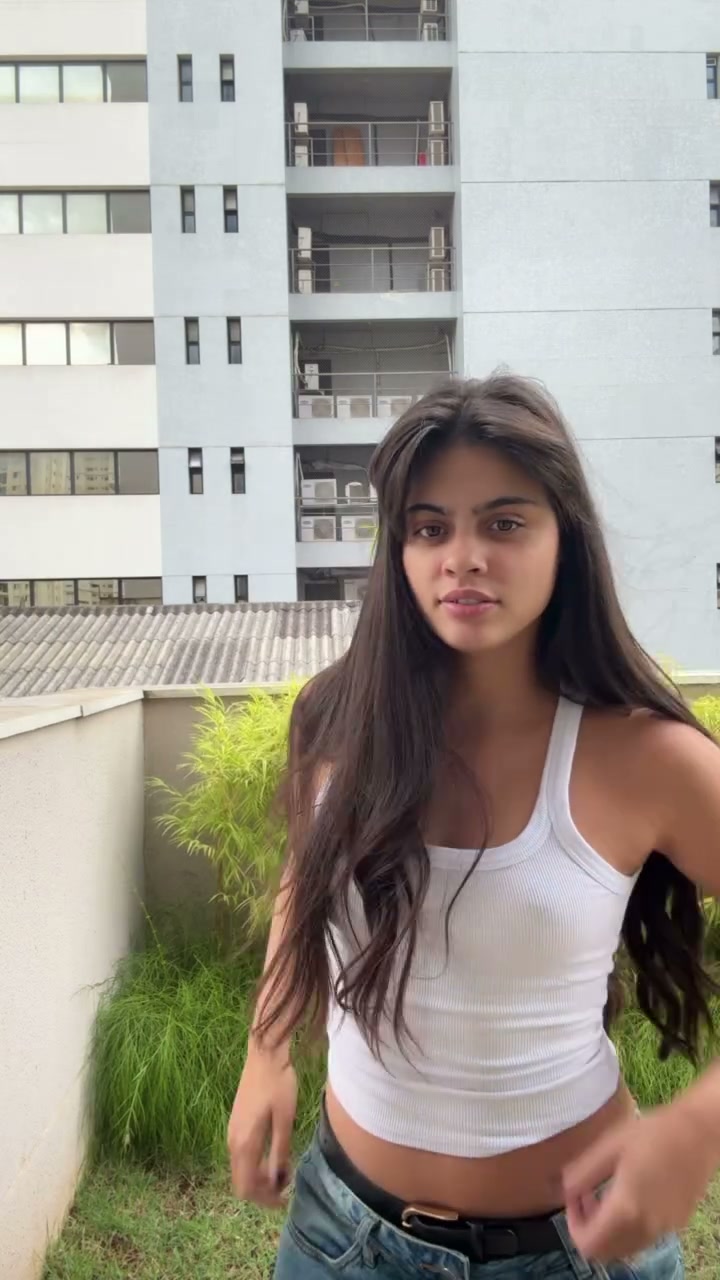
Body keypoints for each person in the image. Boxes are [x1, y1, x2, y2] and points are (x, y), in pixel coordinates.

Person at [228, 374, 720, 1279]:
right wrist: (267, 1051)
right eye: (429, 528)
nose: (462, 557)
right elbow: (307, 878)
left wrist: (698, 1126)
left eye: (504, 523)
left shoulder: (645, 758)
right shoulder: (335, 719)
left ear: (566, 538)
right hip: (340, 1233)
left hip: (578, 1253)